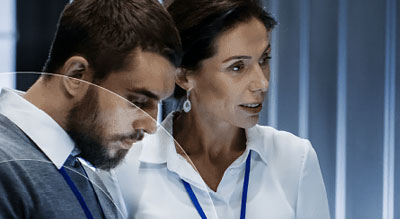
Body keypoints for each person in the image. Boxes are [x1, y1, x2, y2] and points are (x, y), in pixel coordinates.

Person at [114, 0, 330, 218]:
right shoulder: (127, 167)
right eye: (237, 67)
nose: (262, 83)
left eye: (264, 60)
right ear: (183, 76)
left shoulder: (295, 160)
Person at [0, 0, 182, 218]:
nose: (151, 126)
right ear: (76, 75)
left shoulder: (87, 170)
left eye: (158, 104)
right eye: (138, 102)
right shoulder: (7, 167)